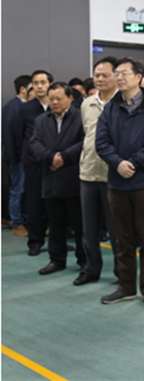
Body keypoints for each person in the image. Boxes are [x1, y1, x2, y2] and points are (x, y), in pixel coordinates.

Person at [96, 57, 144, 308]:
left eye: (124, 73)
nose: (119, 77)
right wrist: (118, 163)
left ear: (138, 77)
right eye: (116, 73)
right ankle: (125, 287)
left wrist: (133, 163)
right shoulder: (111, 108)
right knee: (122, 240)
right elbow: (101, 142)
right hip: (118, 184)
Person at [29, 82, 86, 275]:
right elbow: (34, 143)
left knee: (80, 225)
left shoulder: (81, 117)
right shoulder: (41, 120)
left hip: (75, 178)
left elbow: (86, 141)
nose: (54, 102)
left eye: (58, 98)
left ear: (70, 98)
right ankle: (57, 259)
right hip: (51, 177)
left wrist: (64, 157)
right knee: (55, 224)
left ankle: (84, 260)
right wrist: (50, 157)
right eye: (51, 99)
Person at [76, 57, 120, 286]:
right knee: (89, 229)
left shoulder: (124, 103)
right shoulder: (87, 104)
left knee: (117, 229)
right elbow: (87, 134)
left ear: (116, 76)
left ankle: (122, 272)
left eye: (105, 75)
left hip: (114, 175)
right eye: (97, 75)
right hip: (89, 173)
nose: (99, 79)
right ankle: (91, 269)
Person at [14, 70, 53, 256]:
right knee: (34, 204)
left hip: (55, 163)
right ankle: (35, 242)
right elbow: (18, 135)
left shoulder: (57, 105)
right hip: (34, 164)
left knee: (55, 204)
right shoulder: (26, 109)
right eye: (35, 83)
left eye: (43, 82)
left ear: (50, 84)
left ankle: (57, 241)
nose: (39, 86)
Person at [2, 75, 32, 237]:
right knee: (17, 190)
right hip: (17, 158)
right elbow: (8, 135)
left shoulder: (30, 106)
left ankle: (25, 220)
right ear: (23, 89)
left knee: (27, 190)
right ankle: (17, 223)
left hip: (29, 158)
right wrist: (13, 158)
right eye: (32, 86)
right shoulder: (11, 107)